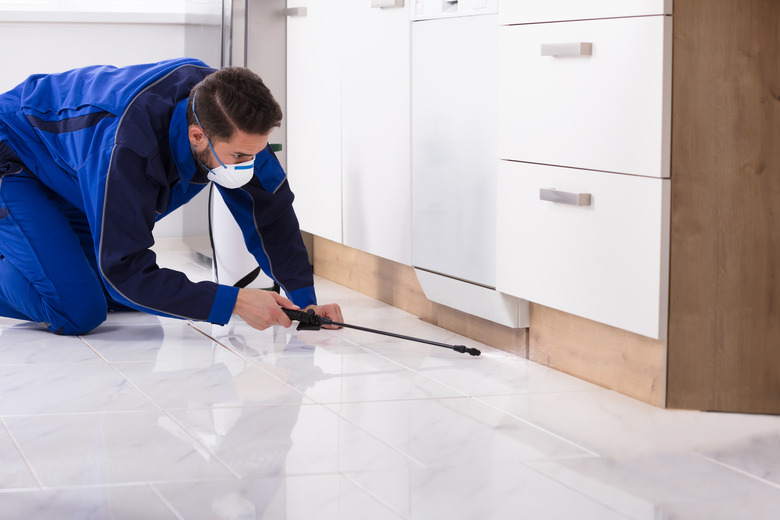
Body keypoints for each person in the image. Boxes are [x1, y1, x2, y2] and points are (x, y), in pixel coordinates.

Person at [0, 57, 342, 335]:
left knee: (118, 296)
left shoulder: (226, 114)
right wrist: (234, 302)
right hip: (13, 154)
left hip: (65, 169)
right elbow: (125, 272)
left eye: (257, 153)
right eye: (240, 157)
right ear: (196, 136)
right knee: (79, 309)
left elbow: (271, 215)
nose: (250, 164)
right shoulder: (129, 149)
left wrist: (304, 301)